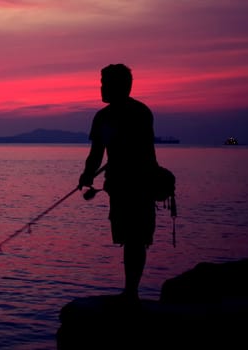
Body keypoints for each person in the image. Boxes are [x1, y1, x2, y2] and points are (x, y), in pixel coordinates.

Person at [78, 63, 158, 302]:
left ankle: (131, 292)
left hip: (137, 184)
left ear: (120, 86)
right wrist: (87, 174)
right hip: (123, 185)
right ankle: (131, 291)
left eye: (105, 84)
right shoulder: (126, 114)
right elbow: (97, 153)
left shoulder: (129, 114)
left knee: (135, 238)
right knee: (132, 239)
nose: (101, 88)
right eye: (101, 83)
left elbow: (102, 153)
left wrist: (89, 174)